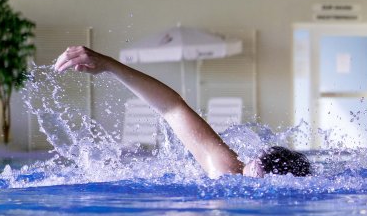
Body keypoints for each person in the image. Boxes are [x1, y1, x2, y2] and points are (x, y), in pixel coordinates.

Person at [54, 46, 311, 179]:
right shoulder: (231, 174)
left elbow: (172, 107)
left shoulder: (230, 175)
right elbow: (172, 108)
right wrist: (109, 65)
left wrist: (109, 64)